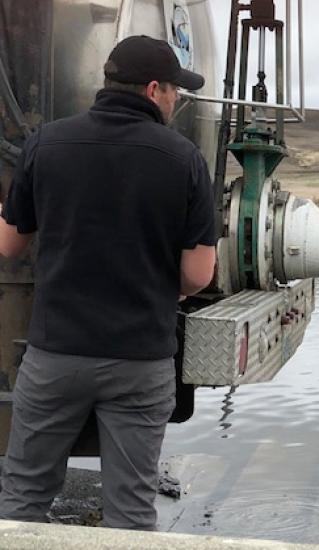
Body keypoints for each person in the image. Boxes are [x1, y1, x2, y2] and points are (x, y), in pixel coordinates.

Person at [0, 35, 216, 530]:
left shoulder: (46, 142)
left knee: (24, 498)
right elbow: (198, 275)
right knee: (131, 510)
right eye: (174, 91)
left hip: (55, 357)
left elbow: (10, 246)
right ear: (154, 88)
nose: (177, 100)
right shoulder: (185, 159)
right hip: (139, 363)